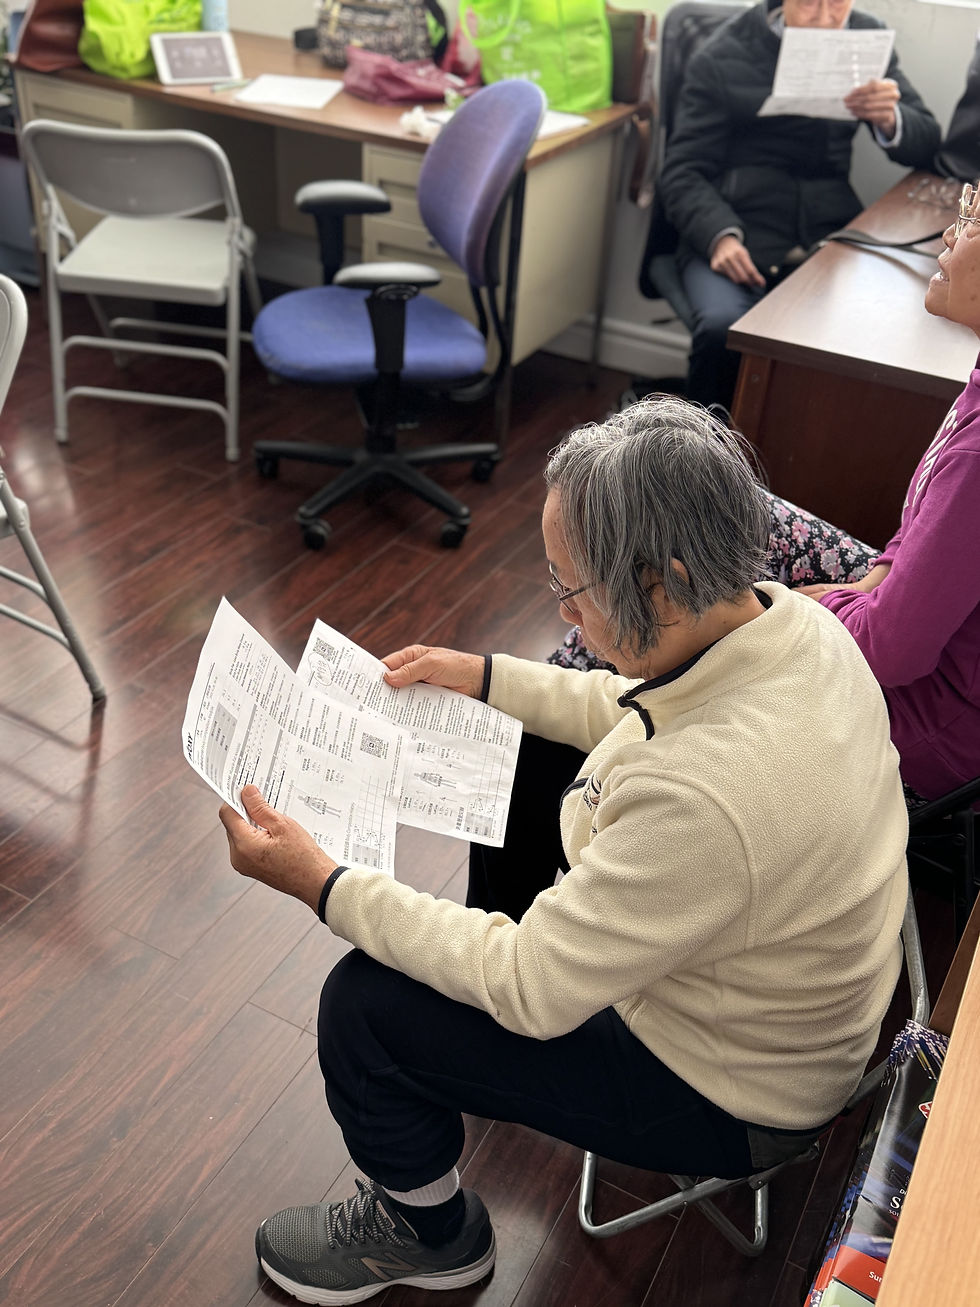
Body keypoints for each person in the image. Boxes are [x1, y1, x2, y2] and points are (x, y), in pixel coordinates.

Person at [218, 398, 909, 1306]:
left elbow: (531, 989)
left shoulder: (702, 799)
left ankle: (427, 1236)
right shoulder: (798, 624)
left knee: (365, 1005)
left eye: (569, 586)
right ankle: (477, 981)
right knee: (525, 739)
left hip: (739, 1093)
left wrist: (325, 882)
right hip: (791, 999)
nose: (568, 613)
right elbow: (639, 702)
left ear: (661, 584)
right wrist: (486, 677)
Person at [554, 181, 980, 805]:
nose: (952, 231)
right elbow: (926, 534)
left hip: (930, 726)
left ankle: (568, 721)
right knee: (741, 517)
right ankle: (572, 693)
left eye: (972, 221)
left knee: (685, 564)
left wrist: (793, 613)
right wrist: (868, 582)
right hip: (934, 663)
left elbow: (893, 650)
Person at [658, 0, 941, 409]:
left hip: (827, 229)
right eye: (810, 3)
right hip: (738, 223)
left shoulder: (864, 39)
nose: (826, 18)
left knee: (880, 324)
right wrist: (719, 236)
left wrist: (890, 117)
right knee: (723, 328)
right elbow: (681, 170)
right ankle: (699, 457)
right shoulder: (723, 54)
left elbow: (928, 141)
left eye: (838, 3)